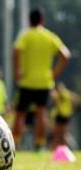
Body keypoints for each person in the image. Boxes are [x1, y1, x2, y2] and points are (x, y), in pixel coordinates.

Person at [12, 8, 71, 150]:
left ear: (29, 20)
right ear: (42, 20)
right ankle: (39, 144)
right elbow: (65, 55)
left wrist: (17, 71)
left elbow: (16, 52)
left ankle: (15, 144)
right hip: (44, 82)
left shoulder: (26, 36)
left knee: (20, 113)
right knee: (41, 113)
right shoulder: (49, 36)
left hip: (27, 81)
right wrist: (54, 73)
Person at [51, 83, 79, 149]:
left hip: (64, 116)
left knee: (62, 134)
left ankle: (63, 149)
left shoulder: (66, 94)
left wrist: (72, 109)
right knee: (57, 134)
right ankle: (56, 149)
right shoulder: (63, 94)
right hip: (59, 115)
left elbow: (75, 99)